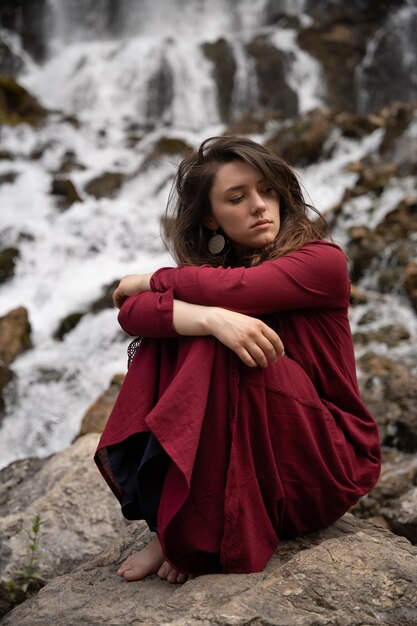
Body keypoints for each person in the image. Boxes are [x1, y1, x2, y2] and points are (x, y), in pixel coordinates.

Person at [95, 135, 381, 585]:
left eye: (267, 190)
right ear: (210, 218)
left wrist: (156, 280)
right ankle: (179, 521)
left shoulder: (322, 262)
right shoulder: (211, 279)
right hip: (268, 453)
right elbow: (132, 313)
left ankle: (190, 532)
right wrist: (209, 318)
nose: (260, 206)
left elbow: (236, 292)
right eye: (237, 197)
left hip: (329, 459)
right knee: (199, 332)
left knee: (216, 342)